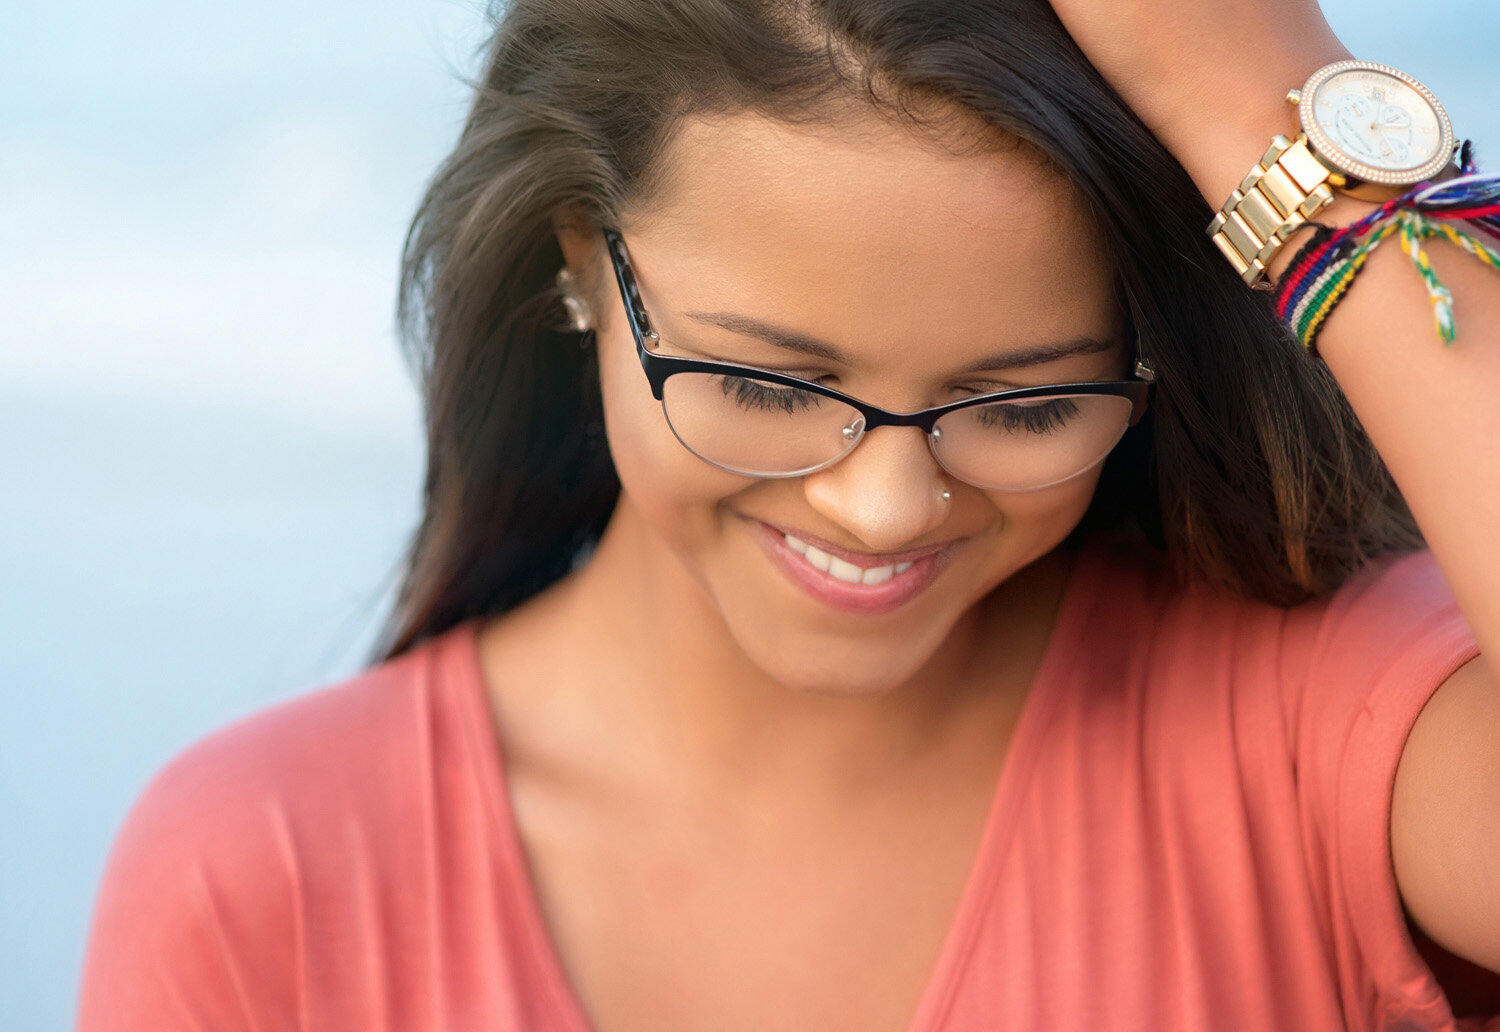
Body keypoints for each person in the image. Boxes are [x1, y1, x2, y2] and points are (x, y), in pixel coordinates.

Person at [77, 0, 1500, 1029]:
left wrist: (1258, 82)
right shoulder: (262, 871)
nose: (885, 506)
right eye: (764, 383)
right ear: (582, 263)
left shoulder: (1325, 751)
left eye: (1020, 408)